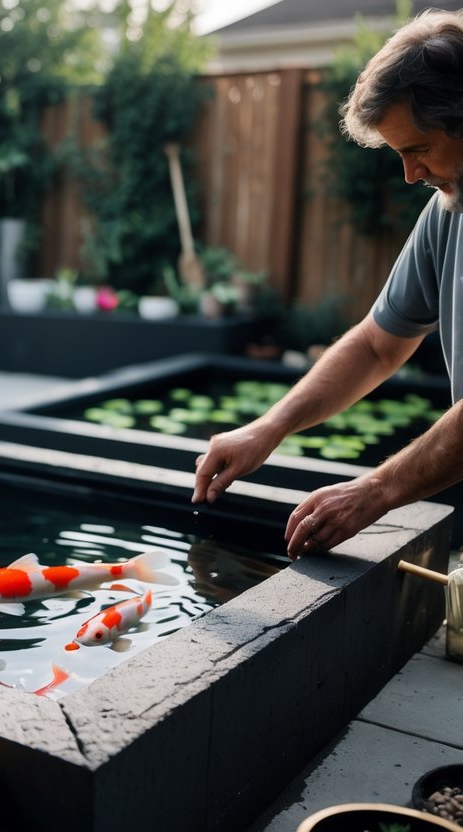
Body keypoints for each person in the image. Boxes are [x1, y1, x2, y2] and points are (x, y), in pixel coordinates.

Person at [192, 9, 463, 559]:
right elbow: (376, 344)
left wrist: (375, 490)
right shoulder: (447, 210)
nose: (410, 174)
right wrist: (269, 428)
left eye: (419, 149)